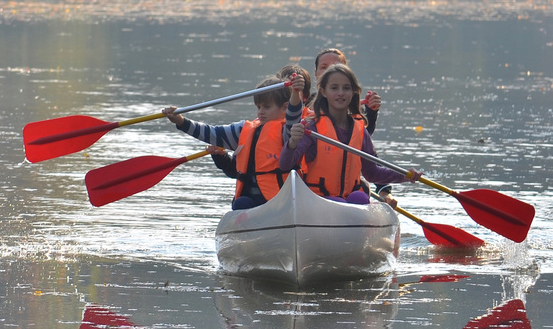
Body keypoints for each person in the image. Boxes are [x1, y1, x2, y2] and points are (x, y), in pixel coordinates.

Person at [163, 68, 310, 208]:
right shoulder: (243, 130)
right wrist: (181, 121)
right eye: (258, 107)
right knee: (241, 204)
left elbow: (294, 114)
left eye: (266, 107)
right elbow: (211, 133)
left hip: (280, 203)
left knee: (243, 205)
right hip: (250, 203)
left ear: (285, 107)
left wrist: (296, 92)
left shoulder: (289, 131)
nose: (260, 112)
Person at [286, 63, 413, 204]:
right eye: (334, 88)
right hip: (319, 200)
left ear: (353, 92)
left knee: (359, 198)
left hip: (349, 199)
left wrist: (404, 176)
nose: (340, 93)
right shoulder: (312, 127)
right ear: (323, 91)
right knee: (339, 201)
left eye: (346, 88)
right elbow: (286, 164)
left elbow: (371, 173)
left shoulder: (360, 129)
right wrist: (292, 143)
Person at [312, 47, 381, 132]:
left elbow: (363, 135)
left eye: (336, 66)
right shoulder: (304, 104)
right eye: (324, 67)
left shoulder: (353, 105)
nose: (330, 71)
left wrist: (371, 111)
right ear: (316, 73)